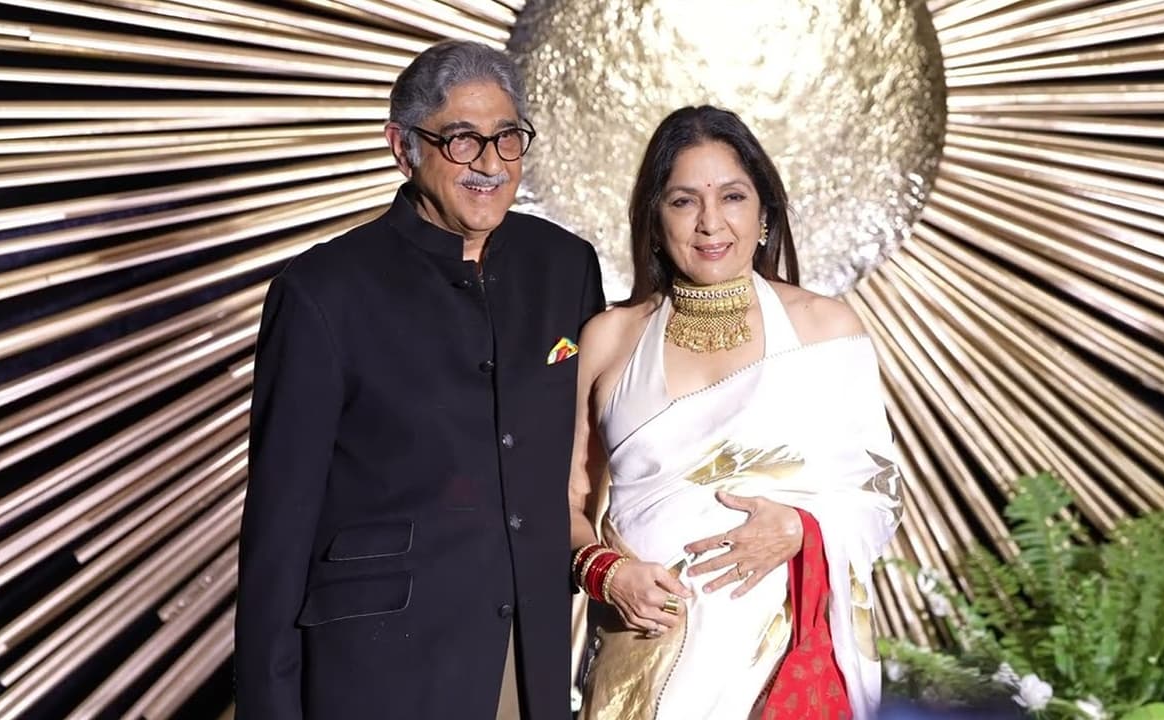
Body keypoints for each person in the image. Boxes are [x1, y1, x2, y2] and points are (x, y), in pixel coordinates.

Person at [235, 40, 605, 720]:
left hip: (528, 660)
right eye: (462, 141)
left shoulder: (564, 266)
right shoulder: (323, 291)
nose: (490, 164)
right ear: (402, 148)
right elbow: (277, 535)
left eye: (507, 138)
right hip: (381, 670)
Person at [566, 106, 904, 720]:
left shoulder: (826, 330)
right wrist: (605, 572)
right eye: (684, 201)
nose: (710, 222)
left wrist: (801, 529)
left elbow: (877, 496)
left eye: (732, 197)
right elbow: (563, 500)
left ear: (764, 213)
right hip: (642, 656)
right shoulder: (609, 339)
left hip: (782, 655)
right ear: (655, 218)